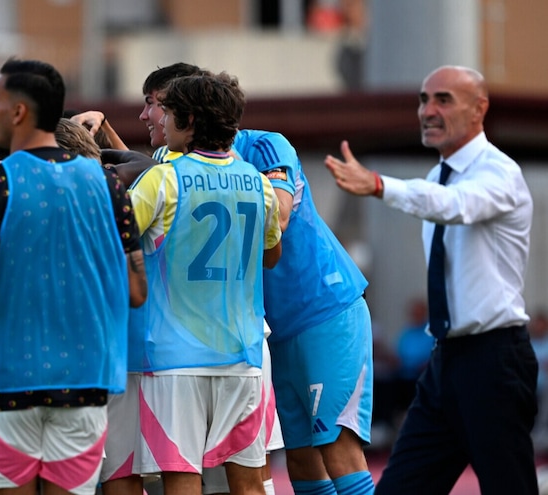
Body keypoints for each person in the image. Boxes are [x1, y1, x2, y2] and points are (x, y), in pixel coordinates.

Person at [0, 58, 147, 495]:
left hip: (8, 382)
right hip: (84, 381)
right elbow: (136, 291)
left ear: (18, 112)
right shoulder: (107, 185)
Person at [325, 65, 537, 494]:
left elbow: (454, 205)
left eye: (443, 99)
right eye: (424, 99)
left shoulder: (499, 173)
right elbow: (441, 201)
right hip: (446, 363)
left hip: (495, 360)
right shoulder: (436, 178)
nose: (428, 110)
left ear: (480, 110)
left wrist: (381, 184)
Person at [126, 72, 281, 495]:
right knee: (249, 482)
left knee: (183, 480)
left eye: (169, 113)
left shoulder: (162, 178)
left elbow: (112, 239)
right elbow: (271, 254)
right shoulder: (258, 181)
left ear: (189, 120)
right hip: (243, 354)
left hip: (175, 359)